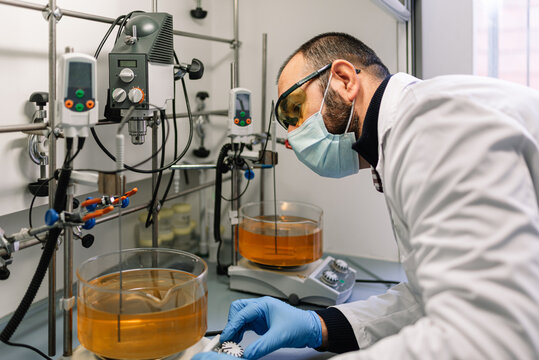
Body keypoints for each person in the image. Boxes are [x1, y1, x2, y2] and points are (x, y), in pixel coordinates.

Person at [193, 32, 539, 359]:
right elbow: (425, 299)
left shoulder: (432, 125)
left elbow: (487, 335)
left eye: (293, 109)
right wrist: (322, 325)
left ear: (344, 79)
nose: (294, 134)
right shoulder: (407, 135)